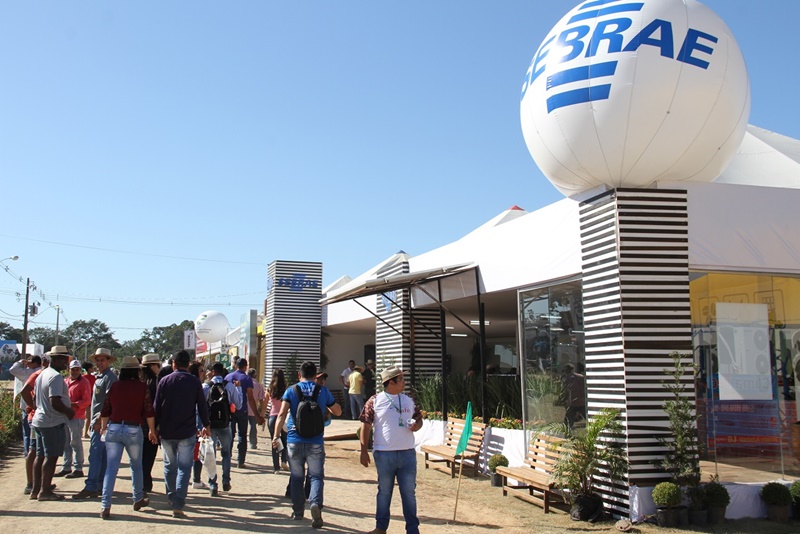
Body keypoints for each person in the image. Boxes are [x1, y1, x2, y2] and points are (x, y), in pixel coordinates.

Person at [273, 360, 341, 529]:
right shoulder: (322, 390)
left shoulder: (291, 390)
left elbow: (281, 414)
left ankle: (297, 512)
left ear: (299, 374)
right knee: (316, 476)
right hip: (316, 441)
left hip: (294, 440)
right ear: (315, 373)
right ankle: (315, 504)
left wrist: (276, 436)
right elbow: (338, 411)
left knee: (297, 478)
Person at [359, 366, 423, 534]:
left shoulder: (408, 399)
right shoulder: (375, 400)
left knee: (409, 493)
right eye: (401, 379)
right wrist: (363, 450)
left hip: (407, 453)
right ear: (391, 382)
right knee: (384, 491)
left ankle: (412, 529)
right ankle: (381, 527)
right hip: (384, 453)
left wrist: (417, 426)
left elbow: (419, 419)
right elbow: (365, 425)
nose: (404, 382)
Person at [99, 356, 158, 519]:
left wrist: (104, 428)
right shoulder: (142, 387)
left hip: (114, 427)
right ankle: (138, 497)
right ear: (137, 371)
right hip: (133, 429)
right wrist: (152, 430)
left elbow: (106, 409)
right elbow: (148, 411)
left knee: (111, 468)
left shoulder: (115, 386)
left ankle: (105, 505)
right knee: (136, 465)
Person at [153, 350, 210, 518]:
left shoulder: (164, 381)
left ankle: (171, 496)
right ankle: (179, 501)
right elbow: (202, 405)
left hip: (167, 430)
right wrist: (206, 425)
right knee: (185, 468)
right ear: (188, 364)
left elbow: (157, 406)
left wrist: (153, 428)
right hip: (186, 431)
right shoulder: (194, 382)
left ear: (173, 364)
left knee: (169, 466)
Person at [30, 346, 75, 501]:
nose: (66, 362)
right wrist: (68, 411)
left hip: (40, 420)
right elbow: (54, 401)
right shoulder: (55, 377)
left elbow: (36, 398)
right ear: (54, 359)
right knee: (51, 457)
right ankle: (45, 491)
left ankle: (36, 489)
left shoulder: (42, 374)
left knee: (40, 455)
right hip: (52, 422)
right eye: (63, 359)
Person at [73, 348, 118, 500]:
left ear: (108, 361)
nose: (99, 363)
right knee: (102, 455)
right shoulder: (101, 377)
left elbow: (109, 401)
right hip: (101, 421)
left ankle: (91, 485)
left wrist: (99, 420)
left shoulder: (109, 378)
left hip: (101, 423)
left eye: (102, 360)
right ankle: (99, 484)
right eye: (97, 360)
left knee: (96, 455)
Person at [202, 362, 239, 496]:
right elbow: (238, 404)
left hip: (210, 425)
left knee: (210, 455)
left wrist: (202, 425)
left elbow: (200, 407)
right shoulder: (228, 385)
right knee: (226, 452)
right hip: (225, 423)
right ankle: (226, 480)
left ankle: (212, 484)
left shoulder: (206, 386)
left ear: (212, 372)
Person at [225, 358, 264, 468]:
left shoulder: (228, 377)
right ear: (245, 366)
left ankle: (228, 457)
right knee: (242, 435)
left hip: (230, 410)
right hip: (242, 410)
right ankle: (240, 461)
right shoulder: (247, 379)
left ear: (235, 366)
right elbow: (251, 398)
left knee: (230, 435)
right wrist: (257, 415)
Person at [57, 358, 91, 478]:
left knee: (75, 442)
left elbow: (86, 401)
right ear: (68, 370)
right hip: (64, 416)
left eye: (77, 370)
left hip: (76, 416)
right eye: (73, 369)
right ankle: (66, 466)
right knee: (66, 443)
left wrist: (73, 404)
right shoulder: (65, 381)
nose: (75, 372)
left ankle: (78, 468)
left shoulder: (84, 382)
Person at [9, 353, 41, 457]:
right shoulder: (43, 371)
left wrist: (20, 361)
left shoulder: (28, 372)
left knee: (27, 433)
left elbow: (13, 370)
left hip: (27, 406)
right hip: (40, 407)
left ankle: (28, 454)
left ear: (35, 363)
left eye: (30, 363)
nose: (27, 365)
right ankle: (38, 454)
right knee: (39, 434)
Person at [139, 353, 161, 493]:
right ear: (153, 366)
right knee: (149, 456)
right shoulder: (156, 383)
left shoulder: (140, 382)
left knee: (140, 457)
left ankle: (143, 482)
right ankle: (145, 482)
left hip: (138, 424)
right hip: (151, 424)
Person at [188, 361, 208, 490]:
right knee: (197, 453)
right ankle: (196, 479)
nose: (203, 373)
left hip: (189, 424)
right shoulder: (196, 385)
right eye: (201, 371)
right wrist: (202, 425)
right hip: (195, 424)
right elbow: (199, 408)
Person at [267, 368, 289, 474]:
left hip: (272, 417)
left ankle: (276, 468)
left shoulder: (270, 389)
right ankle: (284, 460)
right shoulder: (286, 389)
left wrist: (261, 416)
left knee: (274, 441)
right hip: (283, 417)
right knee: (285, 441)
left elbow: (265, 404)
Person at [561, 363, 586, 429]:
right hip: (582, 401)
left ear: (566, 370)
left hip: (573, 401)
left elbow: (565, 391)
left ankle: (567, 432)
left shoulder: (566, 378)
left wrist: (564, 400)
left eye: (563, 370)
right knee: (587, 416)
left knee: (568, 421)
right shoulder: (581, 377)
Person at [247, 367, 266, 450]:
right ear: (255, 375)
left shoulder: (245, 384)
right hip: (253, 410)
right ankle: (253, 443)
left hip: (244, 409)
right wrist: (262, 412)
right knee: (253, 427)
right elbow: (261, 400)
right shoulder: (258, 385)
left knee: (242, 427)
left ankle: (242, 442)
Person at [81, 361, 96, 438]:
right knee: (88, 417)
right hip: (89, 398)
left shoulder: (82, 377)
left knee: (80, 415)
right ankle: (85, 433)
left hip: (81, 398)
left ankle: (81, 432)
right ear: (89, 369)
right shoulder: (93, 378)